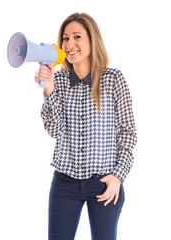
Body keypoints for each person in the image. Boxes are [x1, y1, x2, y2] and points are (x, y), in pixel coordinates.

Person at [35, 12, 137, 240]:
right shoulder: (59, 80)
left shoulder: (113, 79)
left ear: (92, 40)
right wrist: (48, 88)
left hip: (104, 183)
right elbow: (54, 130)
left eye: (77, 37)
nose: (69, 44)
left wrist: (118, 176)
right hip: (64, 181)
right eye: (65, 38)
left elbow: (128, 132)